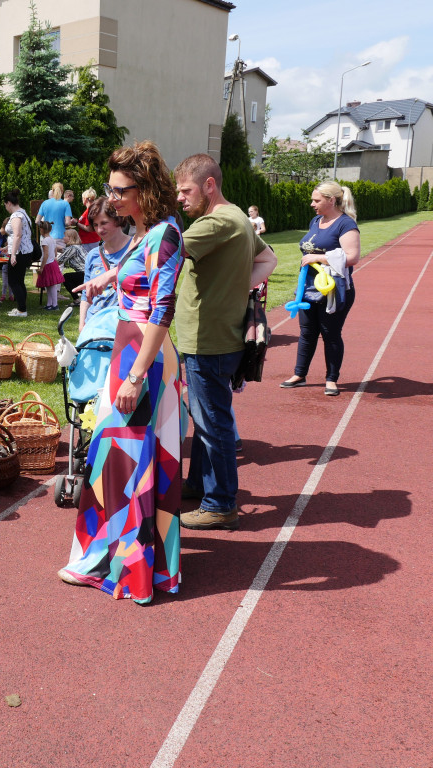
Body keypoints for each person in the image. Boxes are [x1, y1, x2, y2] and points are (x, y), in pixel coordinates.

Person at [58, 141, 185, 604]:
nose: (109, 198)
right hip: (128, 349)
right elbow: (138, 270)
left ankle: (127, 573)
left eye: (118, 190)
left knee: (123, 461)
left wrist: (135, 377)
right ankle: (124, 564)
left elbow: (162, 311)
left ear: (145, 188)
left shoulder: (166, 235)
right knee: (119, 459)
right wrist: (104, 279)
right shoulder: (147, 230)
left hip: (141, 357)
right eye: (110, 188)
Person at [171, 153, 278, 532]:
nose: (180, 199)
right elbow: (270, 259)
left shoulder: (217, 221)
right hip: (213, 337)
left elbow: (167, 249)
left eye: (185, 191)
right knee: (206, 418)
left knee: (212, 422)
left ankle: (220, 504)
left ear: (209, 185)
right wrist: (236, 289)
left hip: (208, 340)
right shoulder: (238, 220)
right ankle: (201, 485)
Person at [279, 182, 360, 397]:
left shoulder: (345, 224)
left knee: (330, 334)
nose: (312, 204)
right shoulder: (316, 220)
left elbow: (352, 257)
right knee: (307, 333)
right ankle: (299, 374)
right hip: (307, 289)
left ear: (331, 200)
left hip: (333, 291)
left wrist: (319, 258)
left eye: (317, 200)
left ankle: (331, 379)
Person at [76, 196, 134, 332]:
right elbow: (86, 295)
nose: (99, 229)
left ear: (118, 219)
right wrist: (82, 324)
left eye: (104, 223)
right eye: (95, 225)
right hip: (94, 326)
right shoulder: (93, 255)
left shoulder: (136, 249)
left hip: (123, 327)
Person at [3, 188, 35, 318]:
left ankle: (22, 310)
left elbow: (17, 235)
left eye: (5, 205)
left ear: (9, 203)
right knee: (19, 281)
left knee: (13, 281)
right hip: (25, 251)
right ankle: (22, 308)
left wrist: (14, 254)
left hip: (19, 253)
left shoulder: (16, 216)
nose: (6, 208)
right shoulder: (24, 213)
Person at [34, 220, 64, 310]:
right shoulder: (52, 240)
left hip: (47, 264)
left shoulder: (44, 241)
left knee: (50, 286)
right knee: (51, 285)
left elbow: (45, 255)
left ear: (42, 230)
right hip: (53, 263)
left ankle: (54, 305)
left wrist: (42, 267)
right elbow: (55, 254)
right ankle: (50, 304)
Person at [35, 182, 70, 249]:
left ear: (52, 191)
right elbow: (68, 223)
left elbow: (37, 221)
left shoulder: (45, 203)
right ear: (62, 192)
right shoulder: (65, 204)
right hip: (61, 237)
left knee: (48, 258)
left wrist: (43, 230)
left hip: (47, 237)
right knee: (60, 259)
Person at [67, 187, 102, 254]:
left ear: (86, 199)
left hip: (89, 241)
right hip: (90, 241)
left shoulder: (90, 210)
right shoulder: (91, 209)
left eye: (82, 198)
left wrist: (76, 223)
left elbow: (89, 228)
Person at [56, 228, 87, 300]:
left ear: (70, 238)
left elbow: (59, 261)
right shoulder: (77, 247)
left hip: (84, 274)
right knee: (71, 277)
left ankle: (77, 299)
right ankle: (82, 295)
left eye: (65, 236)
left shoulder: (72, 248)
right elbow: (64, 251)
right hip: (88, 273)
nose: (63, 238)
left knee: (66, 277)